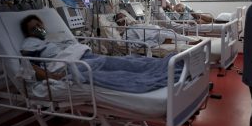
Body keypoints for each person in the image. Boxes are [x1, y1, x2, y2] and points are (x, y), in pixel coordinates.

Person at [20, 14, 183, 93]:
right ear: (28, 33)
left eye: (39, 24)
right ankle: (162, 71)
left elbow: (72, 47)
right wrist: (51, 76)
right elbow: (28, 64)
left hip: (83, 56)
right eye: (33, 28)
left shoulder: (52, 37)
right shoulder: (30, 43)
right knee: (118, 67)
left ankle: (165, 66)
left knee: (126, 61)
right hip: (71, 66)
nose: (38, 28)